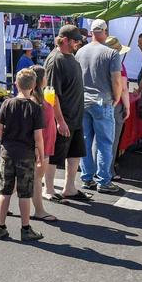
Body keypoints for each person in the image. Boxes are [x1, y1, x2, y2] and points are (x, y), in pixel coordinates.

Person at [0, 68, 45, 241]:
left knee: (5, 191)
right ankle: (25, 228)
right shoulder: (35, 108)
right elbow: (38, 136)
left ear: (16, 83)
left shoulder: (7, 103)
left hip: (8, 152)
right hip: (26, 154)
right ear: (34, 86)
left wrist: (5, 142)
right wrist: (41, 154)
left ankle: (0, 227)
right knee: (24, 193)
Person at [75, 19, 123, 194]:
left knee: (86, 141)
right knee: (104, 142)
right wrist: (116, 97)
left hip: (83, 100)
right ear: (104, 31)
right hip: (102, 101)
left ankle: (87, 178)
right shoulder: (111, 53)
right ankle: (103, 180)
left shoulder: (80, 51)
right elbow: (116, 79)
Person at [44, 25, 89, 203]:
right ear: (64, 40)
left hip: (76, 116)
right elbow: (51, 95)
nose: (78, 43)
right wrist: (59, 121)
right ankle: (48, 189)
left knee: (75, 152)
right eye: (75, 40)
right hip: (63, 117)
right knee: (54, 154)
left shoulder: (71, 57)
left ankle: (69, 187)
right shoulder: (56, 60)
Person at [28, 65, 57, 223]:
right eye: (45, 76)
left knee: (28, 176)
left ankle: (0, 200)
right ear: (41, 80)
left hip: (44, 144)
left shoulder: (42, 98)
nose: (47, 79)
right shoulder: (36, 101)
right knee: (37, 178)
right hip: (41, 145)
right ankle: (39, 211)